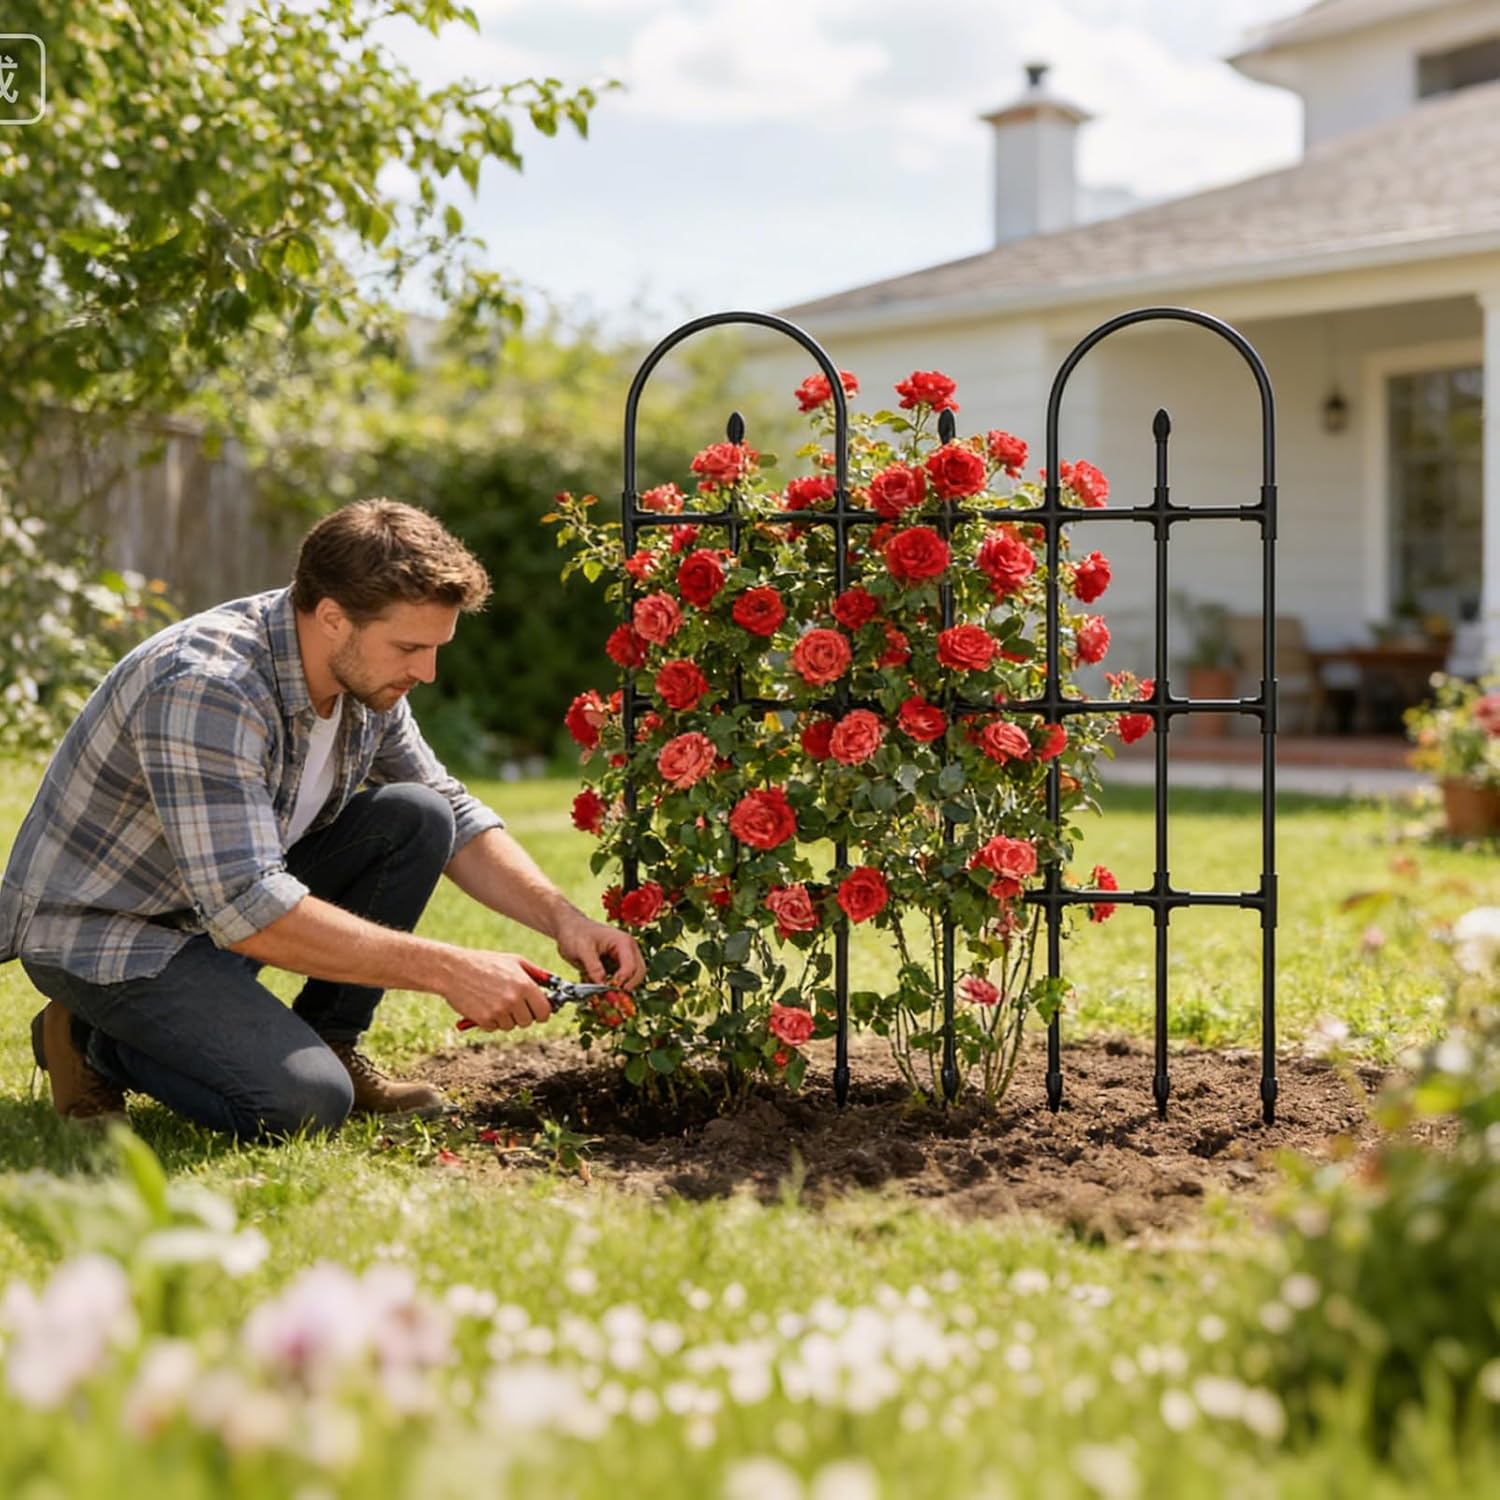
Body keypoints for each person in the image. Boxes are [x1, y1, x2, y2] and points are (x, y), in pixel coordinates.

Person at [0, 499, 644, 1139]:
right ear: (334, 617)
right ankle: (91, 1037)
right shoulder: (208, 687)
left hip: (207, 913)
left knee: (415, 817)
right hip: (109, 933)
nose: (427, 671)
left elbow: (449, 806)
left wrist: (567, 921)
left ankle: (331, 1039)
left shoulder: (362, 678)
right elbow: (249, 907)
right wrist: (453, 970)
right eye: (410, 647)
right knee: (303, 1104)